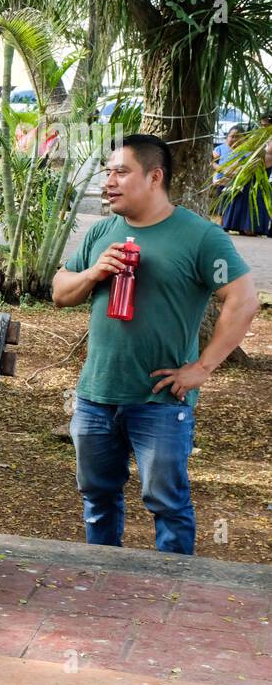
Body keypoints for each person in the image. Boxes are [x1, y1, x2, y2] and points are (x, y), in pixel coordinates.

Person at [52, 134, 258, 555]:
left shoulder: (201, 237)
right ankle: (103, 575)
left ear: (155, 177)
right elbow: (60, 290)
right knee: (96, 498)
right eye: (108, 171)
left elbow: (242, 298)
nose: (109, 181)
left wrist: (202, 367)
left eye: (121, 172)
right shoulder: (104, 232)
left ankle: (171, 592)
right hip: (96, 395)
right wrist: (93, 273)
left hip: (160, 400)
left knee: (167, 503)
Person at [218, 133, 272, 237]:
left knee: (249, 230)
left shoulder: (266, 157)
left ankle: (248, 228)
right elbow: (228, 171)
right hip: (242, 191)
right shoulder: (246, 155)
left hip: (256, 193)